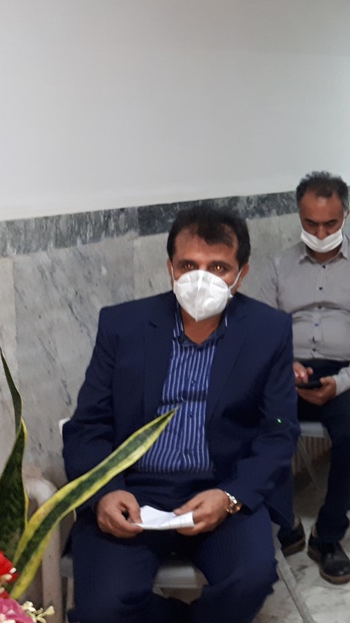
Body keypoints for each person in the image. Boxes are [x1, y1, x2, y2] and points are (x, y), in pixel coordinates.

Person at [63, 205, 298, 623]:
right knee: (102, 607)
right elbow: (88, 426)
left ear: (241, 274)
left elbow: (278, 431)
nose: (201, 278)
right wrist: (105, 493)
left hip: (222, 486)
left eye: (219, 267)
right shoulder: (123, 325)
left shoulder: (268, 330)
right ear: (170, 267)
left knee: (250, 579)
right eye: (189, 265)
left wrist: (231, 497)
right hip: (133, 490)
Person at [253, 172, 350, 584]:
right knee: (253, 424)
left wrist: (343, 382)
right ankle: (286, 523)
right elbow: (260, 331)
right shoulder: (278, 267)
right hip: (289, 372)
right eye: (310, 223)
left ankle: (328, 534)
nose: (319, 233)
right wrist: (283, 367)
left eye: (329, 223)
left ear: (345, 215)